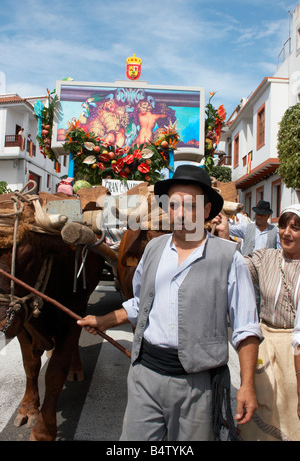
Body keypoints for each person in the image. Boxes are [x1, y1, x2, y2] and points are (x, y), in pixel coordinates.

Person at [77, 165, 262, 441]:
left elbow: (246, 327)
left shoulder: (229, 258)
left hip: (198, 386)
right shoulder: (153, 248)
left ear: (207, 209)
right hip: (145, 376)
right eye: (174, 205)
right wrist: (103, 320)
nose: (181, 213)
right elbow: (142, 304)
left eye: (190, 205)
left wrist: (247, 384)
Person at [214, 203, 300, 441]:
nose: (286, 232)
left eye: (295, 228)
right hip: (266, 342)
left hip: (296, 349)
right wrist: (223, 235)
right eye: (283, 226)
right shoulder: (266, 257)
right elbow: (238, 268)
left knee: (292, 412)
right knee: (261, 406)